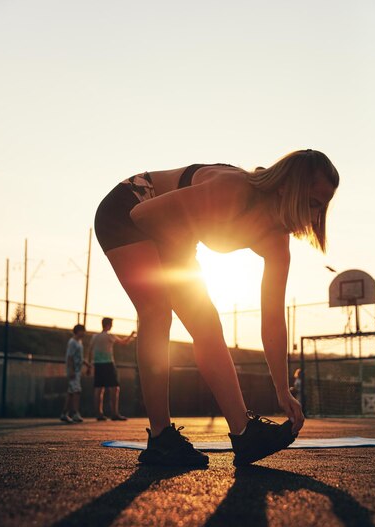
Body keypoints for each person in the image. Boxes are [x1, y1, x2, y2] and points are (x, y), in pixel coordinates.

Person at [94, 150, 339, 466]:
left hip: (175, 236)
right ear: (286, 188)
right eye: (312, 204)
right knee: (157, 311)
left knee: (208, 325)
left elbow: (274, 318)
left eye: (322, 207)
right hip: (128, 207)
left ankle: (244, 433)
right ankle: (160, 438)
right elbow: (142, 215)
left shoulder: (277, 241)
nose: (315, 217)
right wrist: (180, 252)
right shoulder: (233, 190)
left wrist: (283, 390)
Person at [88, 317, 137, 421]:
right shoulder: (110, 336)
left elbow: (90, 350)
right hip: (108, 364)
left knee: (99, 389)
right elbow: (123, 342)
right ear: (109, 325)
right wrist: (132, 335)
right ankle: (114, 413)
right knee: (115, 388)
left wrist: (89, 364)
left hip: (97, 364)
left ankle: (98, 413)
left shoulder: (94, 337)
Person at [60, 324, 90, 424]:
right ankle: (75, 413)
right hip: (74, 371)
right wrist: (71, 370)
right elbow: (70, 357)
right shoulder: (72, 342)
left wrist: (87, 364)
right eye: (82, 331)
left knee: (71, 392)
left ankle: (65, 413)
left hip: (77, 370)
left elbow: (79, 357)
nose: (84, 333)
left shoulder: (79, 342)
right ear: (77, 331)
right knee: (76, 391)